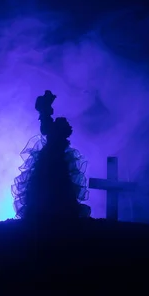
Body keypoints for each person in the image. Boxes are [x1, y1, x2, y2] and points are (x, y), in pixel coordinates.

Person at [12, 91, 91, 220]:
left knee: (57, 183)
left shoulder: (49, 123)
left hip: (55, 159)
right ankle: (47, 212)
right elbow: (45, 130)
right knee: (47, 183)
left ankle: (58, 211)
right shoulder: (48, 123)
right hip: (50, 160)